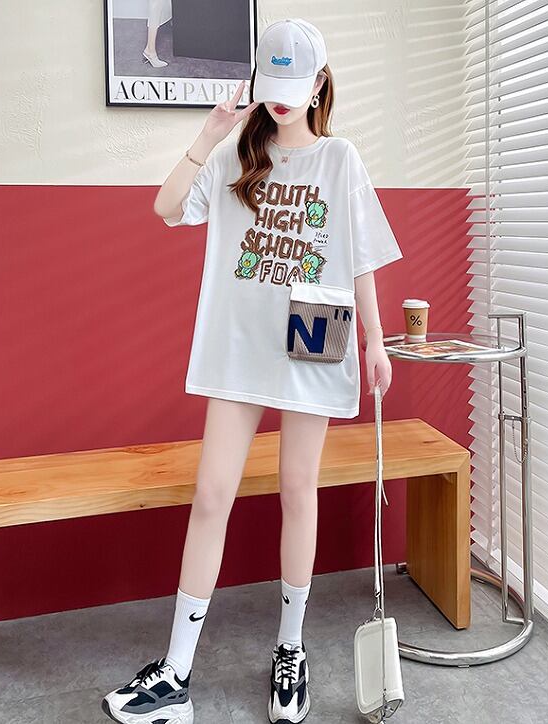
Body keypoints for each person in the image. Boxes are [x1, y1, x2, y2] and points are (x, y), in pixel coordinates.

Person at [102, 17, 403, 724]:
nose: (281, 100)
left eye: (295, 86)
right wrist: (208, 135)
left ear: (320, 83)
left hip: (314, 328)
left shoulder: (341, 158)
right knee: (212, 495)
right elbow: (166, 207)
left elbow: (359, 256)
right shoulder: (237, 152)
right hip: (240, 338)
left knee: (299, 491)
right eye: (272, 85)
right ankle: (176, 670)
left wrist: (376, 340)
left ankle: (290, 649)